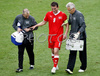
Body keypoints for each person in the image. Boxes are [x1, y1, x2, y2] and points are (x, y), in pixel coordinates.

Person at [31, 2, 69, 74]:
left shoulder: (63, 15)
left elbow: (67, 25)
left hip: (59, 36)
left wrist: (65, 34)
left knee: (55, 51)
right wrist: (36, 25)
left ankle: (54, 67)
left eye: (55, 8)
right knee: (52, 52)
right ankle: (56, 64)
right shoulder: (48, 14)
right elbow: (44, 22)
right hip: (51, 36)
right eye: (52, 9)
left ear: (58, 7)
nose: (53, 10)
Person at [65, 2, 87, 74]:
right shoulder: (71, 14)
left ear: (73, 8)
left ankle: (83, 67)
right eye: (68, 10)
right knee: (72, 52)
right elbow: (71, 22)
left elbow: (83, 25)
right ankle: (69, 68)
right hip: (73, 36)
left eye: (69, 10)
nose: (68, 11)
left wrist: (78, 33)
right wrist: (66, 22)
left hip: (80, 37)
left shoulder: (79, 15)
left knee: (82, 53)